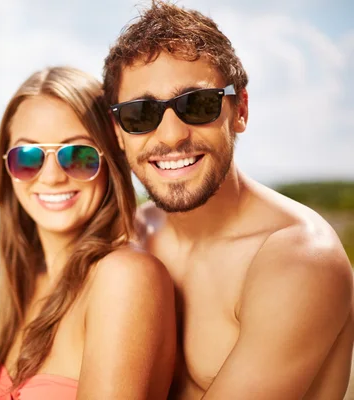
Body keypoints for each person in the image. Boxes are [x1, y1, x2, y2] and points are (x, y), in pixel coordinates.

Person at [103, 2, 354, 399]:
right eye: (140, 114)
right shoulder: (131, 235)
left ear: (240, 111)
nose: (170, 136)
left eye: (198, 104)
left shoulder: (298, 258)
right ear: (118, 133)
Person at [0, 66, 176, 400]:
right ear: (6, 167)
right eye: (28, 157)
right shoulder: (21, 278)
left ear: (110, 162)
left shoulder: (124, 277)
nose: (51, 177)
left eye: (77, 155)